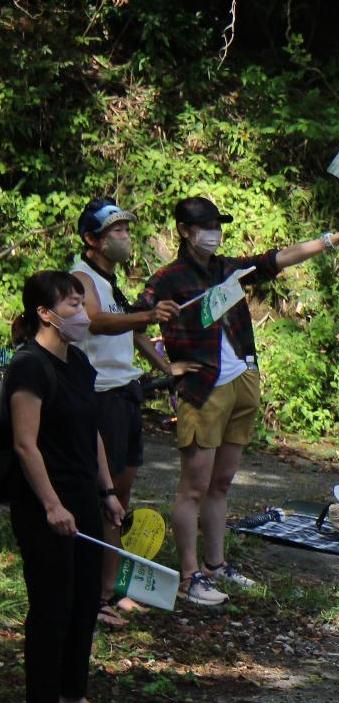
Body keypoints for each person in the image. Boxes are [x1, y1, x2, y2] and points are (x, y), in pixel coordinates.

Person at [143, 196, 339, 606]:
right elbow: (134, 322)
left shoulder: (227, 269)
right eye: (205, 226)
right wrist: (165, 367)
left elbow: (277, 258)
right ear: (184, 231)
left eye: (217, 226)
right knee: (193, 488)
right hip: (201, 387)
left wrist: (335, 239)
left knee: (222, 482)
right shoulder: (167, 279)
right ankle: (188, 576)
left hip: (242, 380)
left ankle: (216, 565)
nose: (213, 233)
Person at [4, 271, 127, 703]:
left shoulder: (77, 361)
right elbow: (24, 444)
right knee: (52, 603)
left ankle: (73, 694)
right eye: (71, 305)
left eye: (81, 302)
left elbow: (91, 431)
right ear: (44, 313)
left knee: (82, 602)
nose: (80, 312)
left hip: (83, 496)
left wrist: (108, 492)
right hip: (44, 502)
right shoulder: (30, 366)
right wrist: (53, 506)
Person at [70, 198, 187, 626]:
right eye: (115, 231)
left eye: (126, 230)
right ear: (92, 240)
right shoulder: (81, 277)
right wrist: (148, 313)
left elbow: (132, 332)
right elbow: (97, 322)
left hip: (125, 393)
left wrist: (165, 369)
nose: (125, 237)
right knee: (104, 498)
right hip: (101, 397)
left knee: (121, 497)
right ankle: (94, 596)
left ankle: (110, 586)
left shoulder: (110, 278)